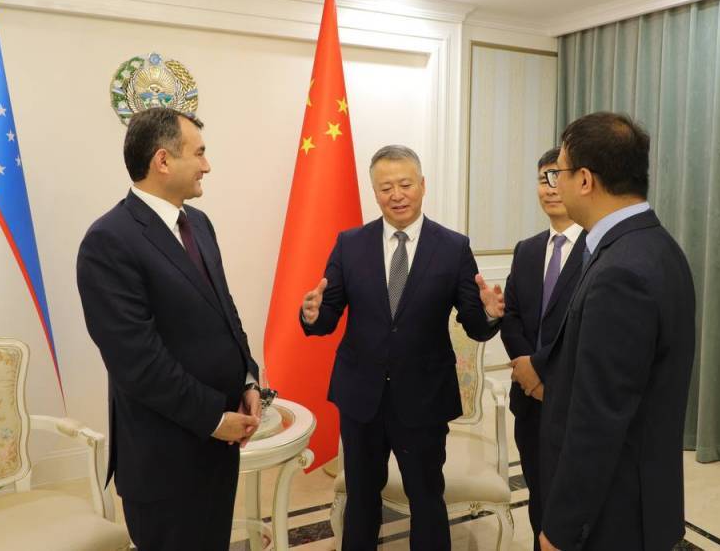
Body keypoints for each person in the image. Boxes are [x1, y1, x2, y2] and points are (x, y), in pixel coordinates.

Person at [300, 144, 504, 550]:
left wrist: (489, 313)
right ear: (374, 193)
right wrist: (312, 314)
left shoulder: (453, 247)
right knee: (361, 498)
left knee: (426, 497)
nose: (397, 195)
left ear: (423, 185)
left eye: (405, 184)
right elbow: (327, 316)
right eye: (386, 187)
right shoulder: (350, 244)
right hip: (362, 396)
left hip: (424, 397)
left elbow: (475, 324)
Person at [76, 107, 261, 550]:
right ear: (163, 160)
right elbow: (137, 361)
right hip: (164, 456)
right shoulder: (108, 241)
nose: (207, 165)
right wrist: (213, 418)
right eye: (198, 153)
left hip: (217, 446)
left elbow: (225, 310)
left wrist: (248, 379)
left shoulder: (198, 223)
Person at [531, 112, 696, 551]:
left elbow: (598, 418)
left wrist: (561, 528)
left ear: (585, 179)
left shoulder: (621, 271)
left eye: (559, 173)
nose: (555, 184)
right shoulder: (655, 246)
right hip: (638, 498)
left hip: (612, 516)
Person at [501, 146, 586, 550]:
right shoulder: (528, 249)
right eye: (542, 179)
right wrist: (529, 374)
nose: (550, 188)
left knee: (574, 504)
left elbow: (584, 331)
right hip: (529, 401)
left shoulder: (599, 250)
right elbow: (512, 315)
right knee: (539, 497)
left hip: (572, 400)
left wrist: (545, 375)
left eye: (558, 177)